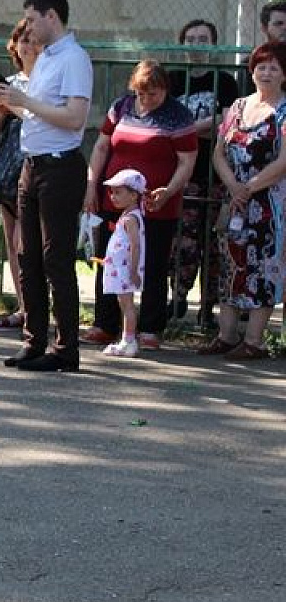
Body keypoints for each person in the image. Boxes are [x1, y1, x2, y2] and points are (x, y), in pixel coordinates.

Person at [0, 0, 93, 373]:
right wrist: (12, 104)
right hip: (32, 165)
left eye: (32, 19)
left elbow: (74, 118)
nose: (28, 27)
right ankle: (33, 341)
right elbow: (39, 115)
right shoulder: (47, 58)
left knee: (55, 258)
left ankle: (66, 348)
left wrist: (25, 101)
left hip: (60, 167)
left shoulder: (74, 59)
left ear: (52, 16)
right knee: (27, 255)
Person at [81, 60, 197, 352]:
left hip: (156, 205)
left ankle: (149, 327)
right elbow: (102, 146)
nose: (145, 99)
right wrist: (92, 184)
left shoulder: (178, 116)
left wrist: (169, 191)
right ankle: (105, 324)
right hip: (115, 200)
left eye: (153, 94)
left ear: (165, 90)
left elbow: (187, 161)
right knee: (110, 259)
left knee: (154, 263)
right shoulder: (121, 107)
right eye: (141, 93)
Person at [197, 42, 286, 360]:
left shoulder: (284, 111)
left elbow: (283, 161)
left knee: (263, 267)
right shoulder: (237, 106)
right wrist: (234, 187)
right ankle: (226, 335)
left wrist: (249, 188)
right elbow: (219, 153)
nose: (266, 72)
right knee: (229, 265)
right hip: (234, 200)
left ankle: (254, 341)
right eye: (261, 66)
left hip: (268, 202)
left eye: (274, 67)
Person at [168, 19, 241, 325]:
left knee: (213, 244)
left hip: (214, 172)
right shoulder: (172, 79)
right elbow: (164, 124)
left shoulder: (224, 81)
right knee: (183, 240)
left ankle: (208, 307)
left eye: (203, 40)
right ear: (182, 43)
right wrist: (199, 129)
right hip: (181, 172)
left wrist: (185, 130)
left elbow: (226, 124)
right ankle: (177, 297)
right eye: (191, 39)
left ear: (214, 45)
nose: (196, 45)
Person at [0, 19, 42, 331]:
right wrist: (1, 109)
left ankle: (38, 307)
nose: (28, 46)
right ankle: (23, 307)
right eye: (23, 40)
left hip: (36, 164)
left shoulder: (48, 82)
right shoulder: (10, 83)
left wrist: (17, 107)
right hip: (8, 168)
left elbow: (41, 121)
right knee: (11, 238)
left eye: (34, 40)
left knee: (29, 240)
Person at [97, 170, 148, 357]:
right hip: (120, 268)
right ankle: (126, 339)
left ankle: (129, 340)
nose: (113, 196)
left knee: (127, 305)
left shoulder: (131, 218)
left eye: (118, 192)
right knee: (124, 303)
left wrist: (133, 270)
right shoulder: (127, 216)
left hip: (126, 269)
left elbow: (135, 245)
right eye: (112, 192)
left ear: (134, 195)